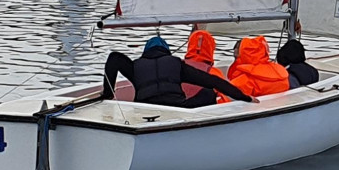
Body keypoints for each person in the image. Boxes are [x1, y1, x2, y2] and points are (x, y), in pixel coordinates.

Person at [101, 36, 253, 107]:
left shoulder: (135, 67)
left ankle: (107, 94)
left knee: (115, 57)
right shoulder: (176, 65)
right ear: (167, 52)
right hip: (176, 108)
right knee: (207, 91)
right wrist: (244, 97)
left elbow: (114, 59)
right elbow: (213, 81)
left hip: (143, 108)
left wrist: (108, 93)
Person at [228, 36, 295, 97]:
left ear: (242, 56)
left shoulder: (244, 81)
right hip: (281, 105)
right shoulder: (281, 75)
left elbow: (224, 100)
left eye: (236, 57)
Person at [182, 30, 227, 106]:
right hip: (203, 112)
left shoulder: (177, 66)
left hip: (176, 109)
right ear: (211, 48)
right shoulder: (214, 72)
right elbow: (224, 101)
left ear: (190, 46)